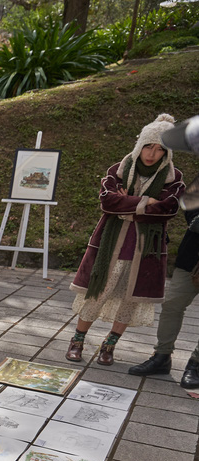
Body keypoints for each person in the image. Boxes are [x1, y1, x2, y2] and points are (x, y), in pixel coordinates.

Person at [67, 114, 184, 366]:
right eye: (148, 146)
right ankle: (77, 340)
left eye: (160, 149)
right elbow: (107, 201)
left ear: (167, 153)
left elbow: (169, 209)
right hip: (111, 243)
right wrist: (146, 202)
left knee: (130, 299)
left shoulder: (173, 179)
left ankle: (109, 346)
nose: (152, 154)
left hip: (146, 250)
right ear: (140, 144)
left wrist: (128, 203)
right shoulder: (118, 171)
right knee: (97, 292)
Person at [130, 114, 199, 387]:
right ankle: (162, 356)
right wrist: (196, 221)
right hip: (193, 254)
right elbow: (189, 203)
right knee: (172, 305)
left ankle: (196, 363)